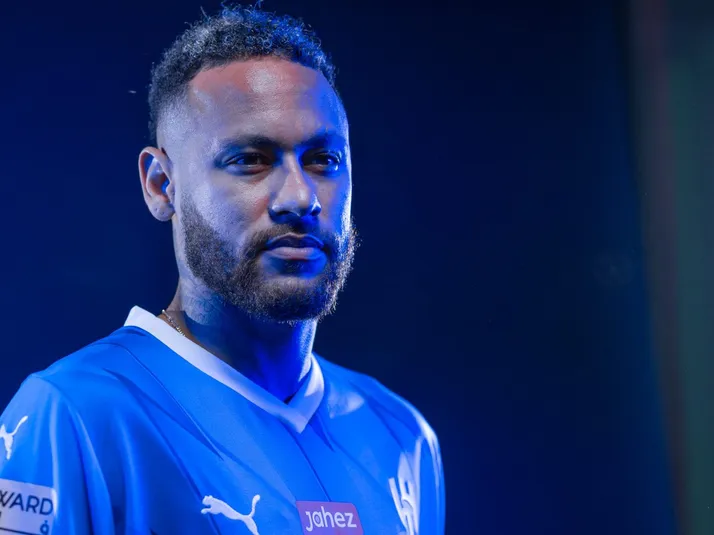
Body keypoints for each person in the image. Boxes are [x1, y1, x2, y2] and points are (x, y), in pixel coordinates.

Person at [0, 5, 445, 534]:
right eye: (251, 159)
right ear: (161, 185)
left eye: (323, 160)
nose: (300, 198)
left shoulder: (401, 438)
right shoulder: (72, 414)